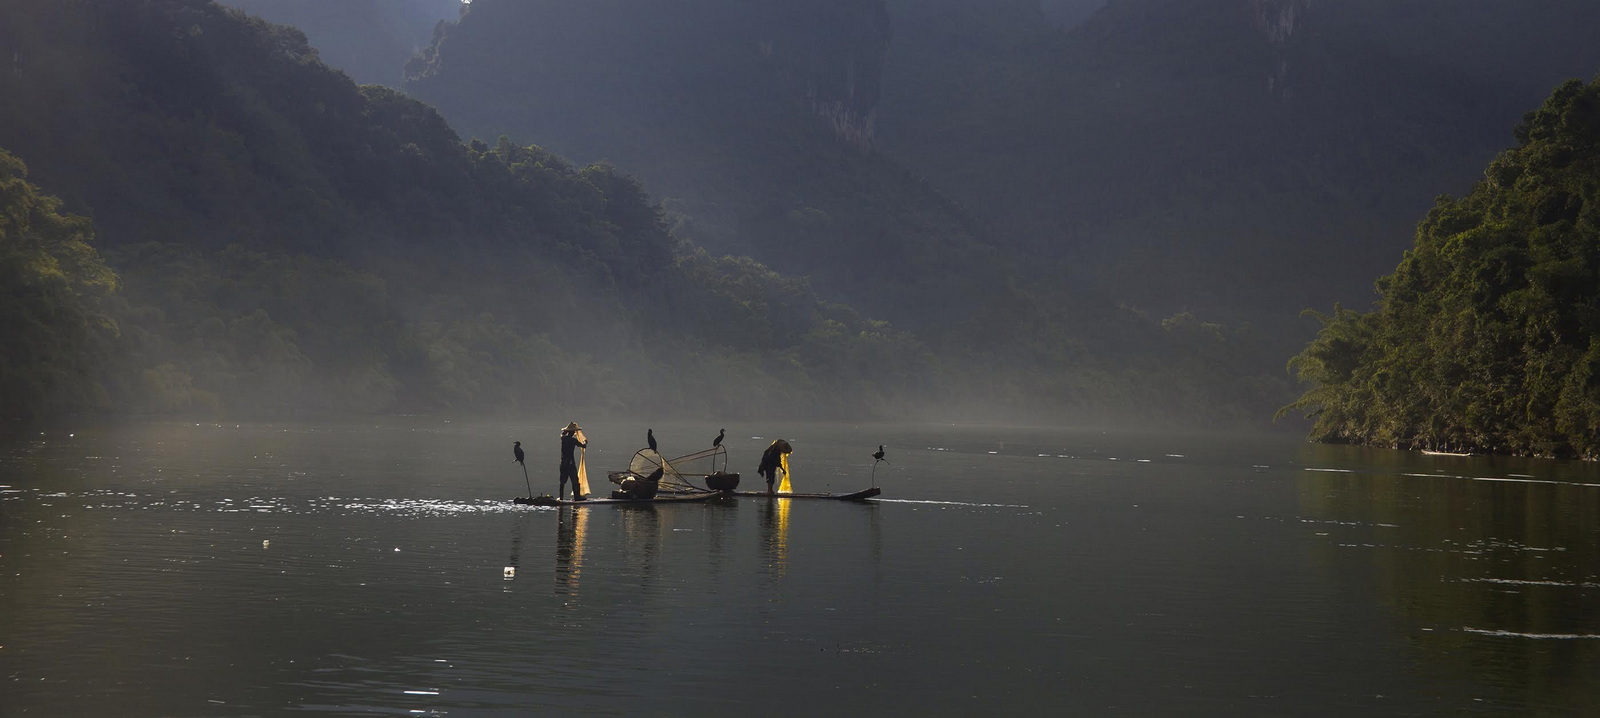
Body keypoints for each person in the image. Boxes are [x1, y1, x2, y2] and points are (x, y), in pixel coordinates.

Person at [559, 422, 588, 500]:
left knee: (562, 481)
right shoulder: (573, 440)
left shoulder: (563, 439)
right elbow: (583, 446)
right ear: (573, 432)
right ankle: (577, 497)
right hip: (570, 463)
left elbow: (562, 435)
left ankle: (561, 497)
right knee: (575, 480)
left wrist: (565, 431)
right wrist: (585, 441)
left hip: (563, 462)